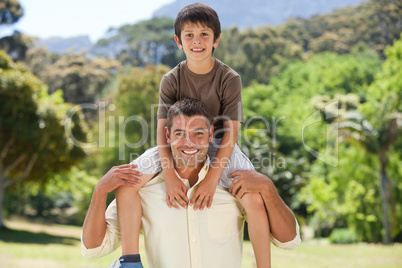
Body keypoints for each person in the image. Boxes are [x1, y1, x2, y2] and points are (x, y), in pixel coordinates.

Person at [115, 3, 299, 268]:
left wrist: (212, 179)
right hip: (178, 143)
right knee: (127, 182)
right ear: (178, 41)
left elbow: (231, 133)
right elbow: (162, 132)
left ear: (216, 40)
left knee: (254, 199)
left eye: (204, 34)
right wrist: (168, 175)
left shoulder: (229, 78)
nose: (196, 41)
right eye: (189, 35)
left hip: (220, 145)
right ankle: (130, 261)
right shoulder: (171, 79)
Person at [81, 99, 301, 268]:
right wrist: (100, 191)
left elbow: (289, 241)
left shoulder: (234, 183)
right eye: (179, 133)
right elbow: (94, 248)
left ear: (210, 135)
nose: (189, 143)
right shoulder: (142, 190)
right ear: (167, 135)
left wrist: (268, 188)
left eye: (198, 134)